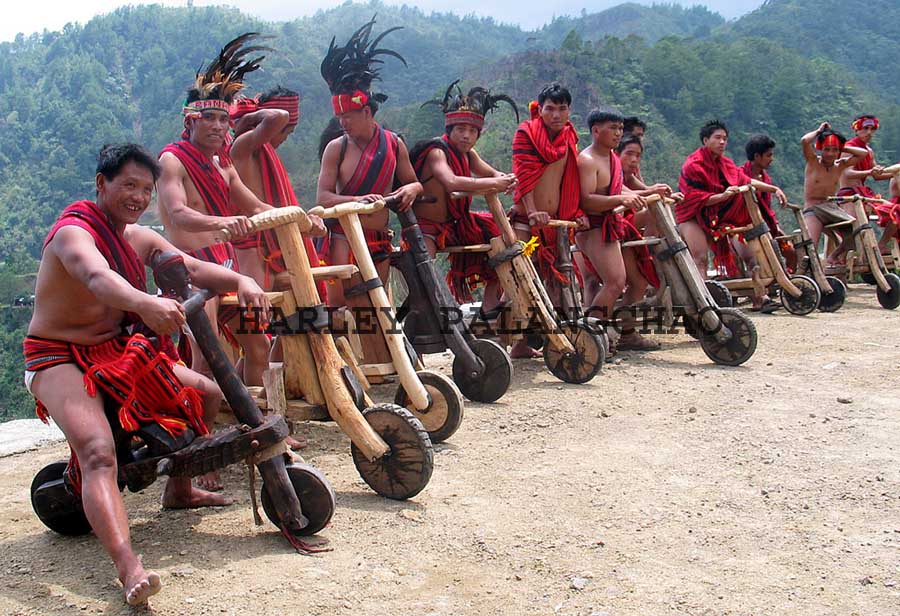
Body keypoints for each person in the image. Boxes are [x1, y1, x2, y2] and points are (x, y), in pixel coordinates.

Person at [23, 143, 269, 606]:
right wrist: (144, 302)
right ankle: (128, 566)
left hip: (117, 351)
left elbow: (189, 265)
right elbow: (97, 277)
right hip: (58, 357)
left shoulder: (137, 237)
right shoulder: (72, 234)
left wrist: (241, 281)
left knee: (207, 395)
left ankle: (179, 491)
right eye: (128, 185)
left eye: (145, 189)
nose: (137, 197)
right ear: (102, 184)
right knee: (97, 451)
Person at [156, 33, 278, 401]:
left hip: (225, 269)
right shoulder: (171, 161)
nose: (218, 126)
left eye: (224, 120)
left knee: (259, 346)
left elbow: (256, 207)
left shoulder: (223, 166)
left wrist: (304, 217)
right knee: (207, 358)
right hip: (188, 269)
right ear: (190, 121)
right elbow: (177, 214)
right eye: (208, 117)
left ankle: (263, 424)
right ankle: (200, 430)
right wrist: (220, 224)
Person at [228, 88, 327, 450]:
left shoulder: (261, 152)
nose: (284, 137)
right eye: (285, 132)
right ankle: (263, 427)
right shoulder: (240, 148)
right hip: (250, 251)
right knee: (256, 341)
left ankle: (258, 415)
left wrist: (306, 219)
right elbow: (277, 119)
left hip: (271, 249)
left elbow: (276, 205)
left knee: (286, 331)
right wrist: (251, 118)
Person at [316, 17, 422, 308]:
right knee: (340, 308)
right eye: (339, 117)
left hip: (378, 238)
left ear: (367, 111)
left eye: (348, 116)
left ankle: (378, 356)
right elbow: (323, 198)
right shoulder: (336, 148)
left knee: (374, 307)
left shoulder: (394, 143)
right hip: (343, 237)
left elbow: (413, 182)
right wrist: (358, 199)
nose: (342, 122)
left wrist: (411, 190)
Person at [409, 80, 518, 309]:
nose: (466, 136)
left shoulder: (469, 154)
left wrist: (507, 179)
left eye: (472, 131)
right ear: (450, 130)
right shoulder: (437, 152)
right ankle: (424, 319)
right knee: (424, 273)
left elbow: (491, 172)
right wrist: (495, 182)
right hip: (426, 225)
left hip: (456, 224)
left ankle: (491, 303)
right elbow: (451, 182)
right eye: (461, 130)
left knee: (499, 237)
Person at [509, 83, 586, 357]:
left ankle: (525, 345)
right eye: (550, 109)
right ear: (539, 110)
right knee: (523, 281)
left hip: (556, 222)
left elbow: (571, 179)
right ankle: (501, 340)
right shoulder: (526, 133)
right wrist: (532, 212)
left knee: (553, 284)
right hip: (526, 220)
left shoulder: (569, 137)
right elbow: (524, 175)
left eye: (561, 109)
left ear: (568, 111)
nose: (556, 114)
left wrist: (576, 212)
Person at [575, 109, 658, 351]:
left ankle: (627, 333)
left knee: (638, 282)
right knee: (614, 282)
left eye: (620, 129)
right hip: (594, 229)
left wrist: (649, 192)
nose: (618, 133)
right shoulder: (587, 160)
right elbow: (587, 200)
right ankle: (586, 339)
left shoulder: (612, 158)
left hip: (613, 226)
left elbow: (618, 190)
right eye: (613, 128)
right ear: (596, 130)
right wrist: (621, 201)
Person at [677, 120, 786, 278]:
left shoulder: (726, 163)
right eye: (717, 137)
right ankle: (704, 301)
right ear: (706, 140)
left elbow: (745, 180)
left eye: (725, 138)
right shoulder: (693, 165)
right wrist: (723, 196)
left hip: (719, 215)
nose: (722, 142)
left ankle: (759, 298)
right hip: (692, 216)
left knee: (750, 257)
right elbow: (693, 198)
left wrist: (774, 189)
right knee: (700, 259)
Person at [800, 123, 867, 263]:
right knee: (810, 247)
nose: (830, 154)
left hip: (831, 208)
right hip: (813, 209)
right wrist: (819, 131)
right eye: (827, 149)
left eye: (834, 150)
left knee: (856, 234)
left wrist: (842, 146)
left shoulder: (840, 165)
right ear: (820, 149)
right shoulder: (813, 162)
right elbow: (805, 141)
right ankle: (807, 275)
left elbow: (863, 154)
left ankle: (833, 256)